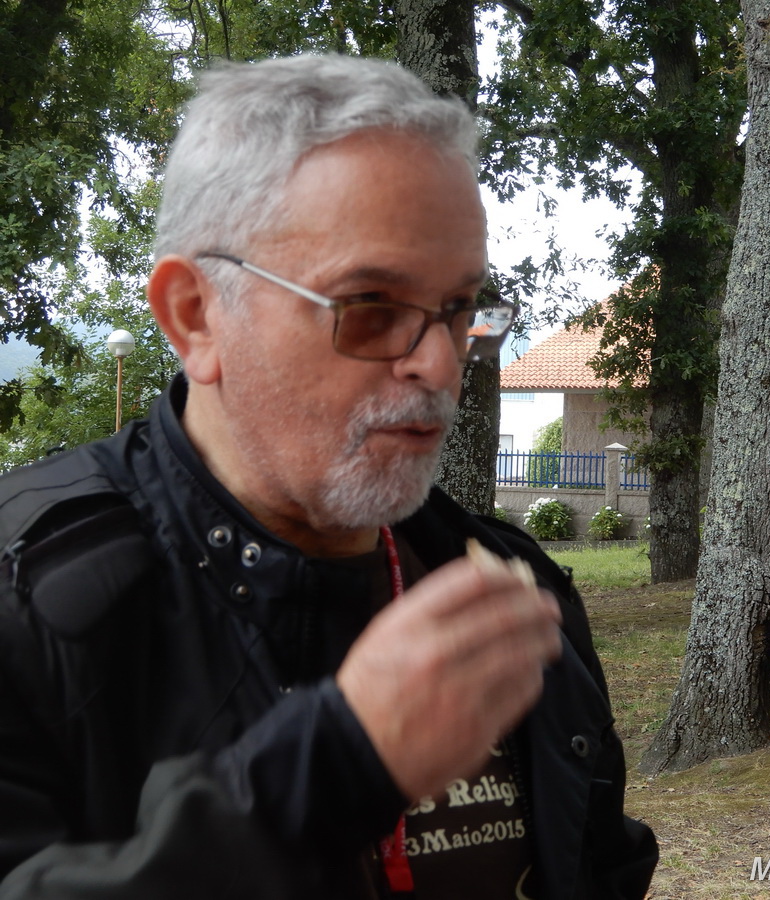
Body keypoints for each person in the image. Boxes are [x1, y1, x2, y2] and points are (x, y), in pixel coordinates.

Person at [0, 55, 657, 899]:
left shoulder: (510, 592)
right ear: (196, 317)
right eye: (370, 307)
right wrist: (335, 768)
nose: (438, 364)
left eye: (460, 309)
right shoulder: (29, 610)